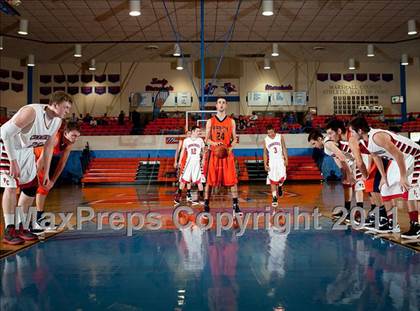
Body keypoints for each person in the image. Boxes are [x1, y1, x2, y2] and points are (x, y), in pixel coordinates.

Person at [0, 91, 72, 245]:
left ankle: (21, 225)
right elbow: (4, 132)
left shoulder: (57, 122)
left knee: (31, 187)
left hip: (26, 149)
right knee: (11, 187)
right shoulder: (31, 112)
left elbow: (48, 148)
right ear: (54, 104)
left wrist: (45, 172)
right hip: (7, 146)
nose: (68, 111)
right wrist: (12, 161)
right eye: (65, 107)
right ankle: (9, 230)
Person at [349, 117, 420, 239]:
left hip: (414, 156)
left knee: (408, 189)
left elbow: (398, 154)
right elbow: (376, 157)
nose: (351, 134)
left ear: (360, 131)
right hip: (398, 160)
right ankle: (392, 224)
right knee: (384, 189)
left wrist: (403, 176)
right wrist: (384, 176)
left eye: (352, 131)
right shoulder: (365, 141)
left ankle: (416, 226)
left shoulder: (377, 137)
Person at [31, 121, 81, 232]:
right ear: (65, 133)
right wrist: (44, 175)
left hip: (42, 161)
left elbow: (62, 163)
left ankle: (38, 219)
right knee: (31, 190)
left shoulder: (69, 143)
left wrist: (53, 180)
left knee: (44, 189)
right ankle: (28, 223)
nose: (75, 139)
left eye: (77, 136)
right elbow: (42, 159)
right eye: (73, 135)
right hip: (33, 157)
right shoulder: (56, 138)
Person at [204, 97, 241, 215]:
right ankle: (206, 203)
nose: (221, 104)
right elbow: (206, 139)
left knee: (232, 180)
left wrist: (230, 147)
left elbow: (235, 139)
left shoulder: (231, 121)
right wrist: (215, 144)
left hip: (227, 154)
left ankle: (235, 205)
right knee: (210, 181)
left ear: (226, 106)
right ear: (216, 105)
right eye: (219, 102)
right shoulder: (210, 121)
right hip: (215, 154)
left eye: (223, 103)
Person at [174, 126, 205, 205]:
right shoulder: (186, 141)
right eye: (198, 131)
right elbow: (182, 152)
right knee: (183, 180)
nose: (199, 132)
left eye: (199, 131)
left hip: (197, 162)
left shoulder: (200, 140)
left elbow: (204, 151)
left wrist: (203, 159)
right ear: (193, 131)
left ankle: (201, 198)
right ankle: (178, 196)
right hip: (188, 162)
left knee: (199, 180)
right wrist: (180, 161)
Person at [263, 124, 288, 207]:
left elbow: (284, 148)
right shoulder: (266, 140)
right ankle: (274, 197)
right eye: (268, 133)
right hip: (272, 162)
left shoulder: (280, 137)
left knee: (282, 177)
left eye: (271, 132)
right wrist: (265, 164)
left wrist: (286, 159)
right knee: (272, 179)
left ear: (274, 130)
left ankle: (280, 186)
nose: (270, 134)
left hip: (280, 160)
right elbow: (265, 153)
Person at [174, 130, 192, 201]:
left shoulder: (193, 142)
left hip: (190, 162)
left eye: (191, 134)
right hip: (183, 162)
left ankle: (188, 193)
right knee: (182, 178)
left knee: (189, 179)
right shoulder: (182, 141)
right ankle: (179, 193)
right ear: (186, 134)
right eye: (188, 133)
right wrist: (176, 161)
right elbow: (177, 152)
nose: (189, 135)